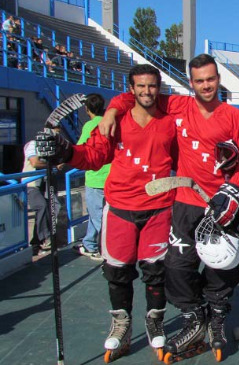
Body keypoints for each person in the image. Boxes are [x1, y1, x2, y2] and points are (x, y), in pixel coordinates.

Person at [100, 53, 239, 362]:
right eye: (199, 81)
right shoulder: (178, 105)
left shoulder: (235, 117)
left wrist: (233, 193)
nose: (206, 86)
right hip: (185, 202)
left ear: (218, 79)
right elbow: (137, 94)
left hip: (221, 205)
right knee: (176, 268)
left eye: (210, 79)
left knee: (225, 264)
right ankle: (194, 317)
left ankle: (217, 314)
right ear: (190, 83)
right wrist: (112, 110)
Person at [36, 64, 176, 362]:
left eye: (152, 86)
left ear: (159, 87)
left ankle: (155, 322)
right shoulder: (116, 120)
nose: (147, 91)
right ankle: (122, 324)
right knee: (117, 271)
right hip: (121, 207)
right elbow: (93, 155)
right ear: (131, 89)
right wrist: (64, 151)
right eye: (140, 86)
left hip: (158, 207)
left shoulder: (170, 120)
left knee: (156, 272)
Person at [72, 93, 108, 260]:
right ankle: (89, 243)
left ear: (87, 109)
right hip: (112, 177)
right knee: (102, 215)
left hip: (96, 178)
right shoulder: (109, 122)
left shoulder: (90, 125)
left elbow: (80, 149)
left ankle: (104, 249)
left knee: (97, 216)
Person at [22, 126, 62, 255]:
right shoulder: (33, 145)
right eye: (55, 135)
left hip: (44, 183)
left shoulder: (50, 147)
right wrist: (54, 165)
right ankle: (43, 238)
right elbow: (34, 163)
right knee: (42, 206)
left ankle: (38, 240)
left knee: (54, 207)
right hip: (31, 184)